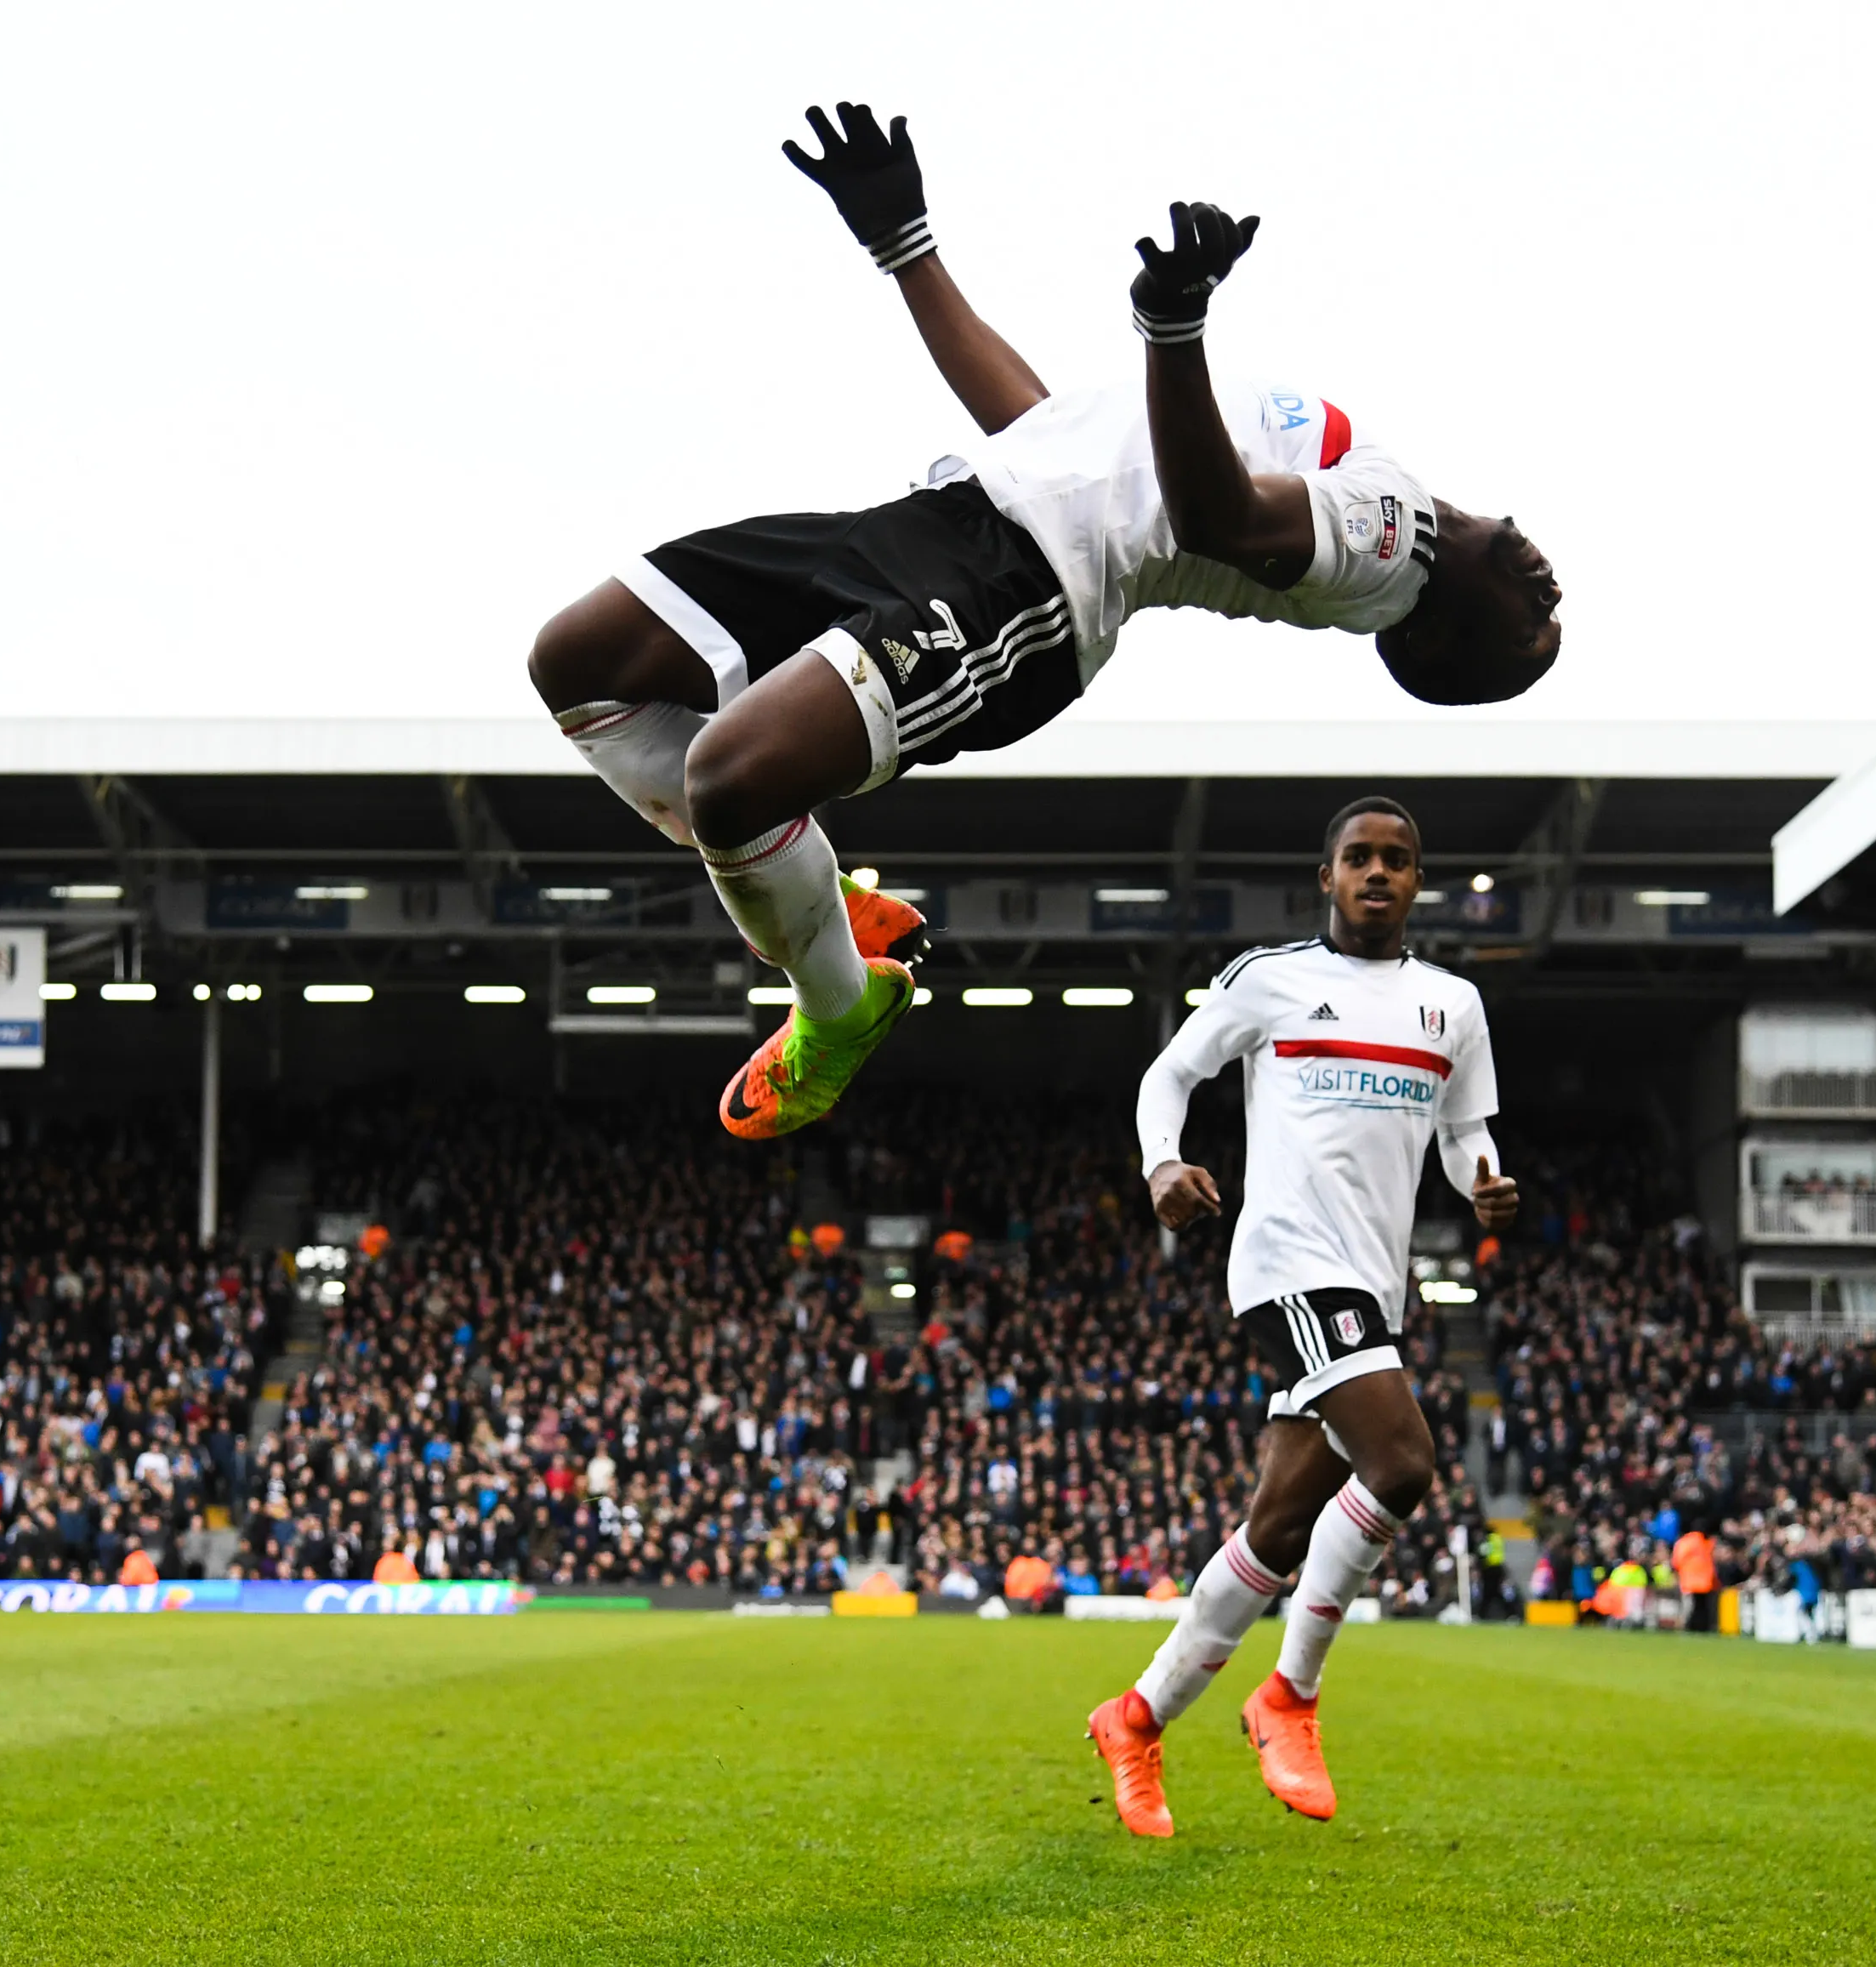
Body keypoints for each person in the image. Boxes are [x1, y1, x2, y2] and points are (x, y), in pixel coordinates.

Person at [525, 104, 1563, 1142]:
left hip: (1020, 597)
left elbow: (1217, 517)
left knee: (730, 781)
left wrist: (1173, 324)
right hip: (940, 518)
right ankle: (813, 903)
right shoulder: (1373, 478)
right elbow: (1044, 429)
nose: (1547, 594)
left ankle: (837, 1008)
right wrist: (905, 245)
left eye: (1529, 634)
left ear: (1434, 639)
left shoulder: (1396, 549)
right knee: (581, 661)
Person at [1085, 799, 1520, 1838]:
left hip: (1371, 1291)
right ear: (1323, 876)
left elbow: (1465, 1134)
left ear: (1418, 882)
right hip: (1284, 1267)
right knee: (1404, 1465)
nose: (1378, 874)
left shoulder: (1450, 1005)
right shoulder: (1266, 980)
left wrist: (1482, 1183)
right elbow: (1170, 1073)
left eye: (1398, 861)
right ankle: (1290, 1695)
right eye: (1359, 858)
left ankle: (1136, 1716)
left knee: (1275, 1529)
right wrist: (1159, 1164)